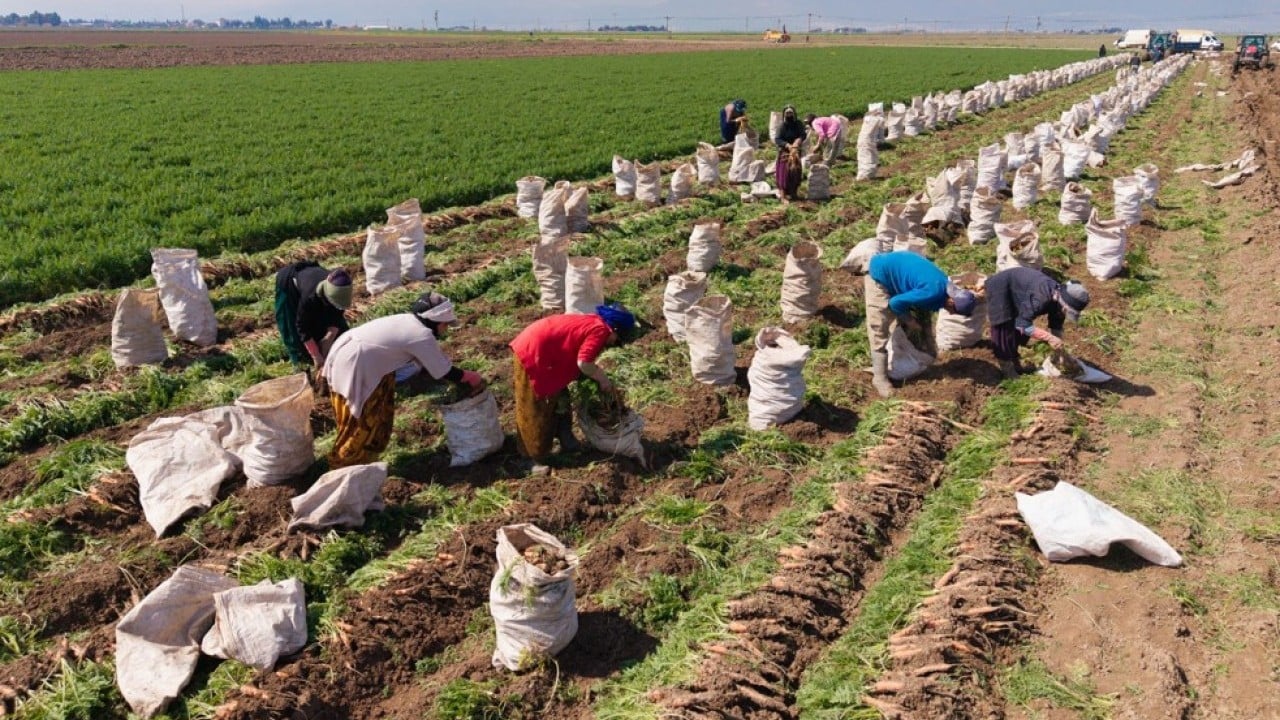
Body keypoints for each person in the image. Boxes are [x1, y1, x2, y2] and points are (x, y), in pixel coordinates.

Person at [321, 291, 485, 468]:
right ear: (435, 321)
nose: (445, 329)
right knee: (360, 424)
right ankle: (342, 470)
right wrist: (471, 377)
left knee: (374, 418)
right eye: (445, 324)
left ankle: (362, 464)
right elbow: (444, 371)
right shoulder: (421, 334)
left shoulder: (408, 320)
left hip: (350, 354)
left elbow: (423, 364)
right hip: (357, 365)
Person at [509, 303, 635, 476]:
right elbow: (584, 363)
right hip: (534, 352)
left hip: (549, 354)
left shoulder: (596, 323)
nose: (614, 342)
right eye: (617, 338)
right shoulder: (601, 330)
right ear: (613, 328)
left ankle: (566, 438)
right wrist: (602, 379)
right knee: (534, 407)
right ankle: (528, 459)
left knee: (560, 397)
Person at [864, 251, 976, 397]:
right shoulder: (933, 291)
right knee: (879, 325)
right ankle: (879, 378)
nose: (952, 314)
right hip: (879, 274)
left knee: (907, 314)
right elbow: (895, 302)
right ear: (951, 301)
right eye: (954, 310)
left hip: (896, 269)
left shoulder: (945, 286)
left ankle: (901, 354)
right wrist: (909, 321)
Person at [984, 267, 1090, 379]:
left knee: (1018, 333)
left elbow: (1056, 324)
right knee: (1004, 329)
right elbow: (1022, 324)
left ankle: (1015, 363)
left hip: (1020, 291)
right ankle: (1007, 370)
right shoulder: (1041, 298)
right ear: (1064, 303)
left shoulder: (1059, 298)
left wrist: (1060, 351)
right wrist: (1049, 338)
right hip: (1000, 288)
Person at [274, 263, 351, 369]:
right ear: (327, 296)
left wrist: (329, 337)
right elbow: (301, 326)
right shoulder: (309, 297)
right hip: (288, 282)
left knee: (338, 330)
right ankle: (302, 364)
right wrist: (315, 355)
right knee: (292, 332)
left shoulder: (339, 286)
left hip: (311, 274)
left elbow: (337, 311)